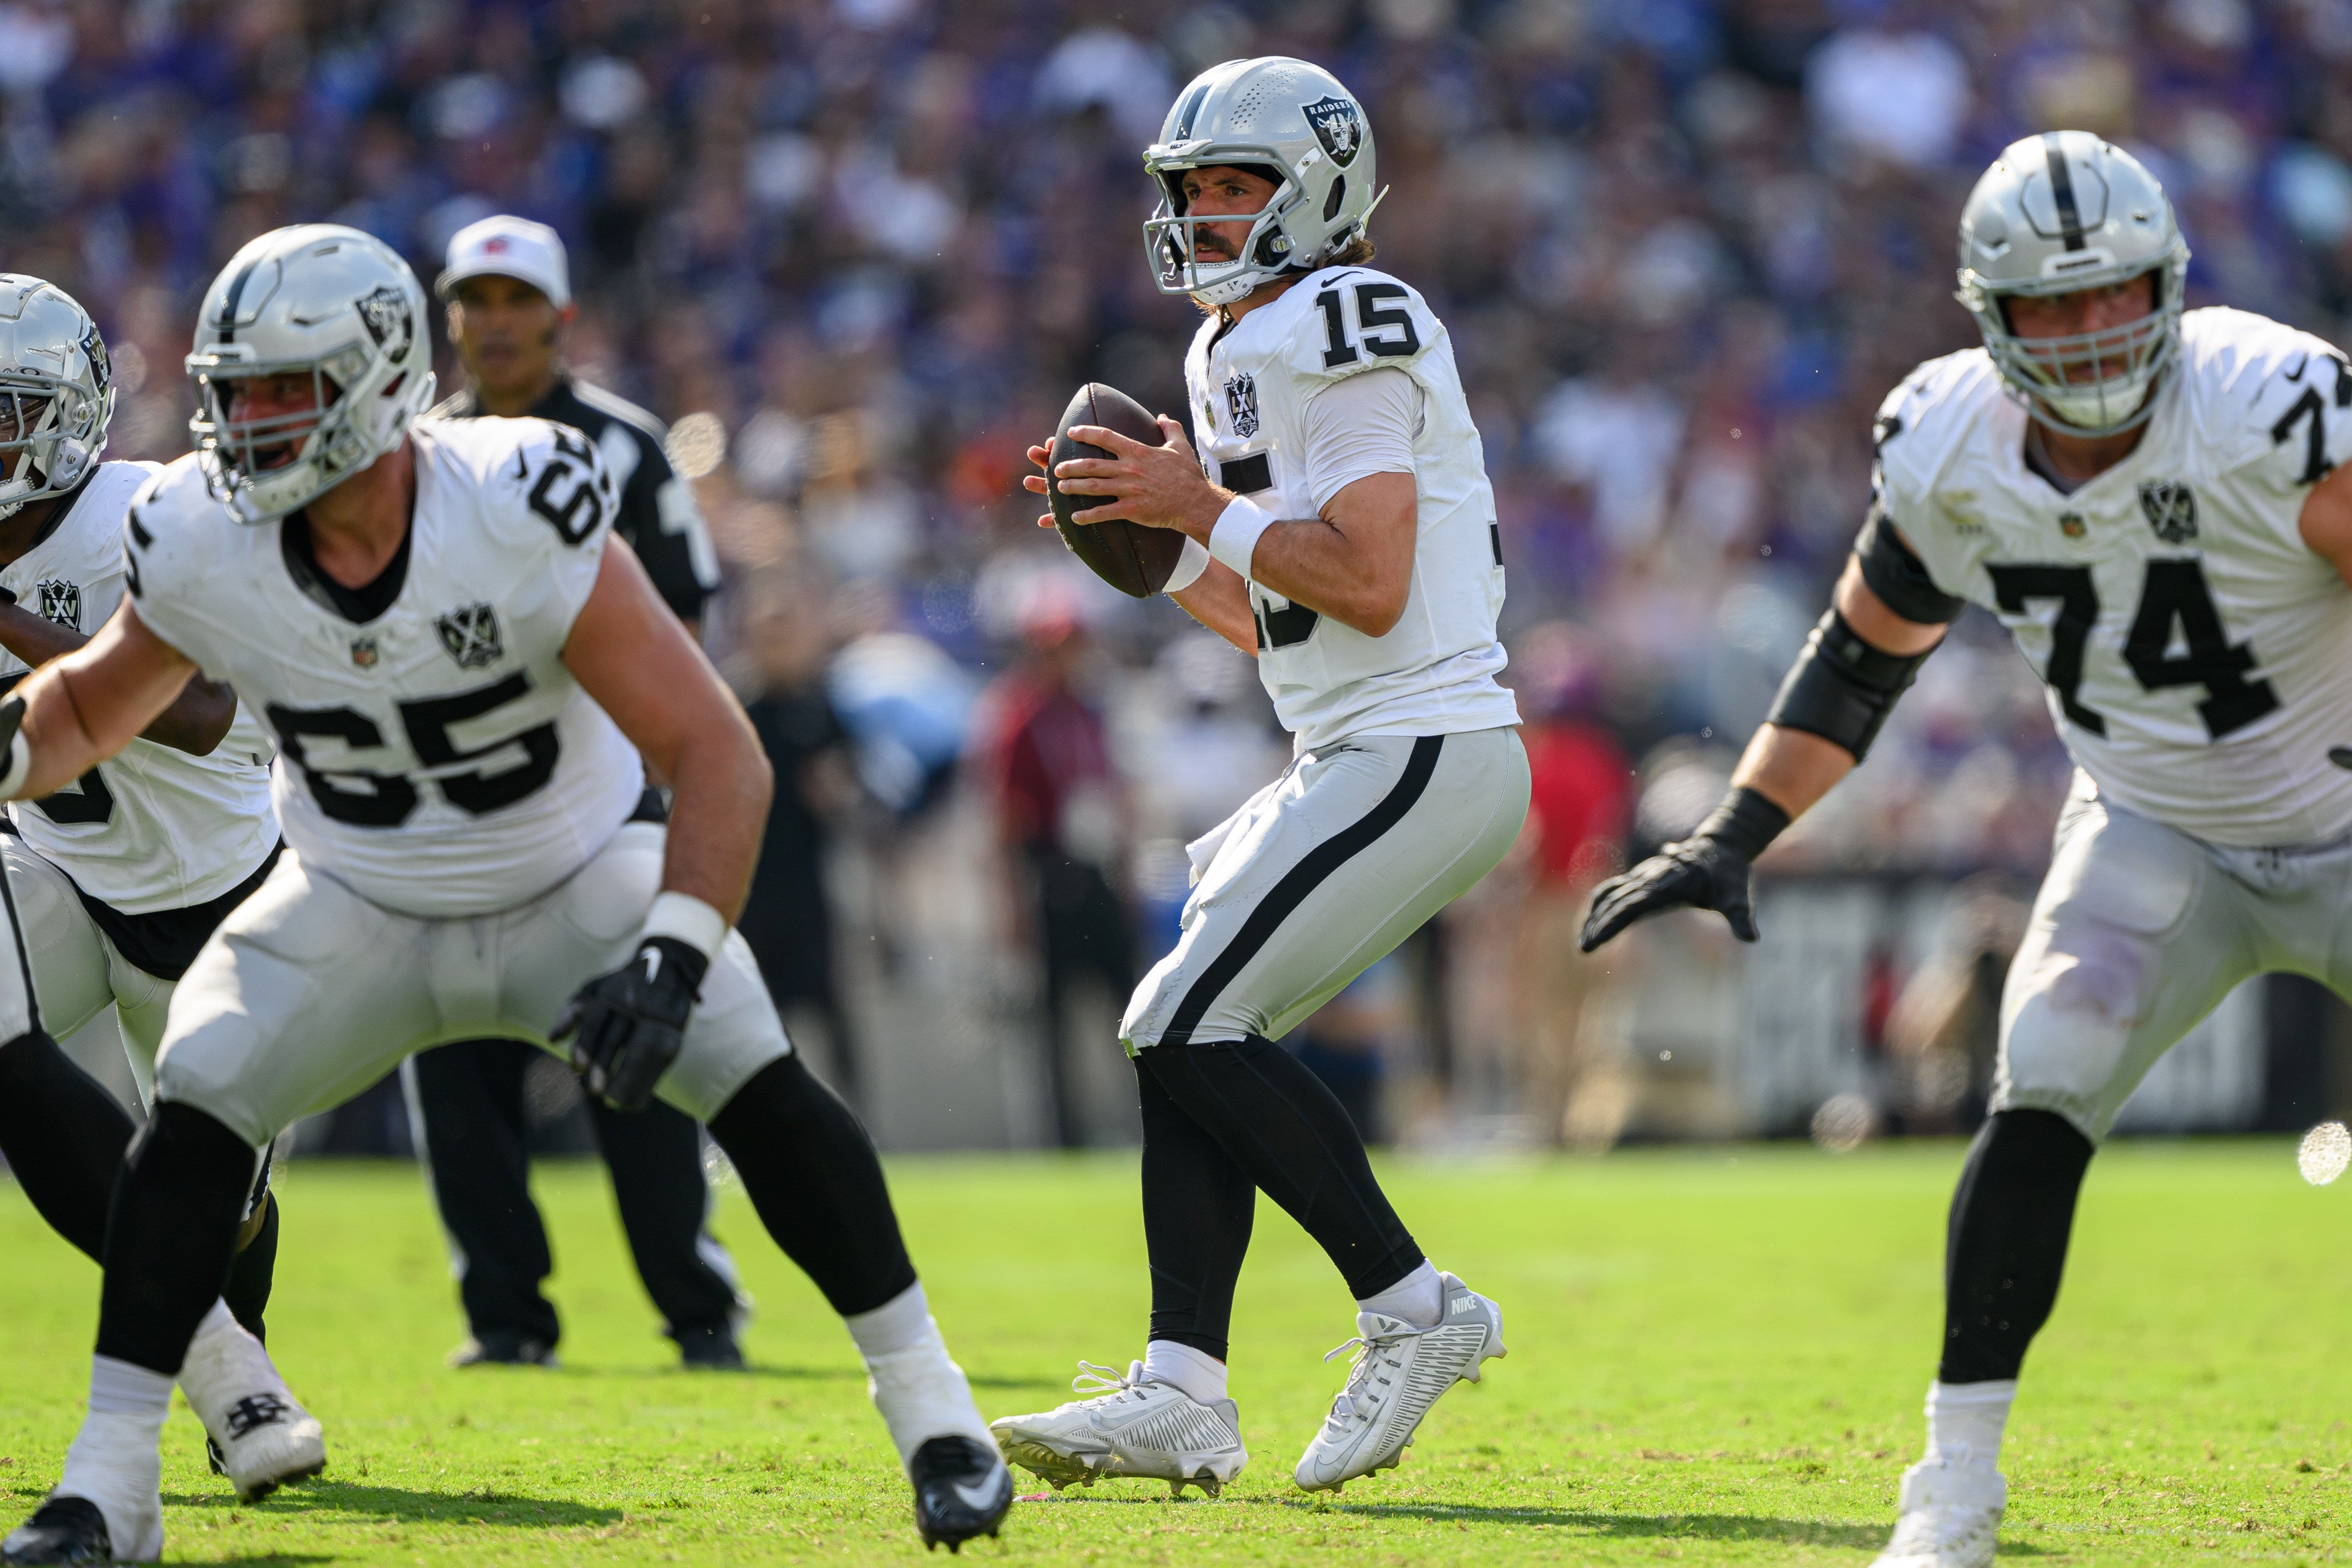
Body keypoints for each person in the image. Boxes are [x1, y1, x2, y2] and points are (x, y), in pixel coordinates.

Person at [0, 224, 1010, 1564]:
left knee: (754, 1072)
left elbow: (713, 750)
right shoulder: (194, 529)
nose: (245, 425)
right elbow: (84, 708)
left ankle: (939, 1420)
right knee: (194, 1101)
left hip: (565, 876)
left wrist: (677, 949)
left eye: (280, 392)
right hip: (355, 894)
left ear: (376, 379)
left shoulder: (515, 494)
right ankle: (110, 1484)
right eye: (230, 393)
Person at [1581, 132, 2352, 1568]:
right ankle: (1950, 1492)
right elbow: (1865, 655)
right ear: (1989, 316)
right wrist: (1737, 830)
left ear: (2164, 287)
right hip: (2155, 824)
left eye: (2111, 295)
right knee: (2044, 1070)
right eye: (2048, 307)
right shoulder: (1944, 442)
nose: (2085, 330)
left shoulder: (2262, 401)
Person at [988, 58, 1527, 1499]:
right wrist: (1156, 545)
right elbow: (1279, 617)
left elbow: (1365, 579)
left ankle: (1415, 1308)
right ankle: (1182, 1387)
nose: (1210, 214)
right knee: (1186, 1038)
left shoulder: (1344, 317)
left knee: (1180, 1021)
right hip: (1355, 742)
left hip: (1422, 743)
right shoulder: (1241, 342)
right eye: (1193, 188)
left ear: (1321, 190)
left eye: (1239, 185)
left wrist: (1198, 504)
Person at [0, 273, 322, 1507]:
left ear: (71, 413)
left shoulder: (147, 512)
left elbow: (196, 714)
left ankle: (236, 1362)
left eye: (6, 409)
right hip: (52, 870)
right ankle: (223, 1369)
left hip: (216, 905)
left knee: (222, 1204)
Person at [407, 213, 745, 1371]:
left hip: (604, 797)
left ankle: (694, 1306)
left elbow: (689, 620)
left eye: (514, 302)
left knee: (633, 1053)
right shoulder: (410, 448)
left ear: (560, 316)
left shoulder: (627, 445)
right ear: (451, 316)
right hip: (460, 798)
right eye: (475, 302)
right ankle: (504, 1317)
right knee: (455, 1060)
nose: (493, 323)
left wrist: (663, 765)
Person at [968, 587, 1134, 1148]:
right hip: (1051, 875)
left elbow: (1113, 795)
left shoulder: (1090, 710)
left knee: (1131, 1005)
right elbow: (1008, 819)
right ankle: (1064, 1138)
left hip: (1098, 871)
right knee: (1053, 1023)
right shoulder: (1021, 717)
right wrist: (1010, 905)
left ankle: (1150, 1123)